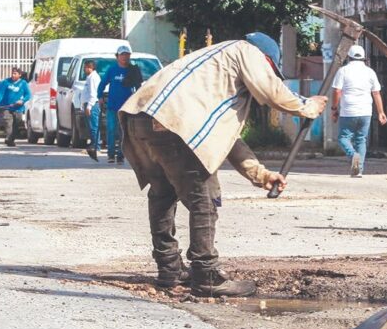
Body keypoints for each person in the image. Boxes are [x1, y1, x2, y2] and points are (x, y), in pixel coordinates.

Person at [119, 32, 327, 297]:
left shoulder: (212, 70)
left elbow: (228, 140)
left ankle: (169, 268)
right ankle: (206, 274)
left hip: (140, 118)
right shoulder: (245, 51)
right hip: (172, 122)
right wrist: (307, 106)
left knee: (163, 194)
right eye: (271, 71)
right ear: (266, 60)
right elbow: (272, 91)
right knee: (204, 198)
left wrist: (262, 175)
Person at [331, 45, 387, 177]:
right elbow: (376, 93)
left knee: (343, 138)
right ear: (364, 58)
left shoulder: (343, 71)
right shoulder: (370, 72)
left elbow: (337, 91)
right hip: (366, 111)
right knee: (361, 140)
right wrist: (381, 112)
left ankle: (353, 155)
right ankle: (358, 170)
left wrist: (334, 108)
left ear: (349, 57)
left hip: (348, 111)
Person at [98, 45, 142, 164]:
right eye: (122, 54)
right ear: (117, 56)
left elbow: (138, 87)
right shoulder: (112, 70)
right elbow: (102, 83)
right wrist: (100, 96)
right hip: (112, 106)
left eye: (127, 54)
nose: (125, 57)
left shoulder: (133, 70)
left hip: (127, 107)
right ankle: (111, 154)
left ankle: (121, 155)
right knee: (111, 130)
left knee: (124, 132)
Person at [0, 67, 31, 147]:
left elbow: (28, 95)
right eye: (12, 73)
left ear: (20, 75)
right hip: (6, 107)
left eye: (15, 74)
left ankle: (11, 139)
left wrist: (22, 101)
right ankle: (9, 138)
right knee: (8, 123)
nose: (13, 75)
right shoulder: (6, 82)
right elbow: (0, 94)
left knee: (16, 124)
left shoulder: (23, 83)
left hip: (18, 108)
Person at [80, 60, 101, 161]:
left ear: (90, 67)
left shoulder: (93, 78)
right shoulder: (89, 77)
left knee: (94, 127)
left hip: (92, 105)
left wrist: (89, 106)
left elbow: (93, 94)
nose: (84, 69)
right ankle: (93, 145)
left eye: (85, 67)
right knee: (91, 127)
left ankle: (96, 147)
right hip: (88, 104)